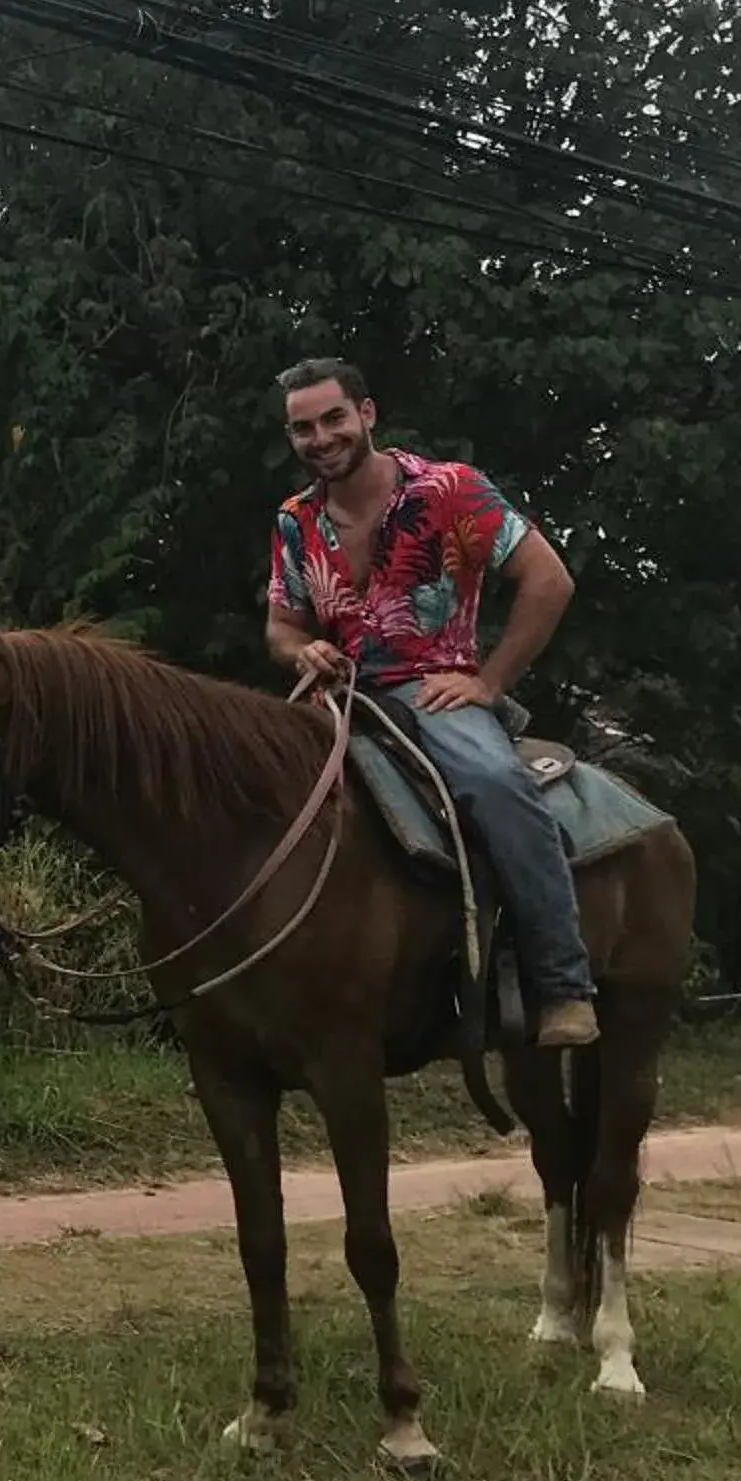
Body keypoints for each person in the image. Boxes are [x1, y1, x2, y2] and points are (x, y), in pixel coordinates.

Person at [260, 356, 599, 1050]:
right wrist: (303, 652)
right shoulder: (295, 521)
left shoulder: (450, 490)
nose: (321, 438)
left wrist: (490, 680)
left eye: (333, 419)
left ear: (367, 414)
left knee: (498, 785)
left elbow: (549, 580)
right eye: (303, 429)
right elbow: (282, 624)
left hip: (436, 690)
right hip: (337, 697)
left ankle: (564, 984)